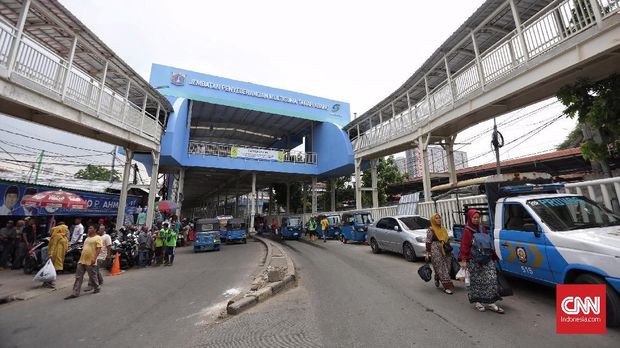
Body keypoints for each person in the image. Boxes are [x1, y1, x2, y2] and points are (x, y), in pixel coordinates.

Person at [459, 209, 504, 313]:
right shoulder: (467, 230)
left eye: (478, 217)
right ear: (470, 218)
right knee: (476, 282)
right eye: (474, 218)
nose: (476, 219)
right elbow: (465, 246)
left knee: (491, 279)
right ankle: (478, 302)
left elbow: (488, 243)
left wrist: (494, 256)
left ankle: (491, 302)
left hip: (486, 258)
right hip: (474, 260)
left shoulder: (482, 228)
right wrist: (464, 260)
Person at [65, 225, 102, 299]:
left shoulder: (98, 238)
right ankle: (75, 292)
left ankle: (97, 287)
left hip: (90, 260)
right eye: (89, 228)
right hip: (82, 260)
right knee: (78, 277)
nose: (89, 229)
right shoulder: (87, 238)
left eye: (91, 228)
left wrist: (94, 258)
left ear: (95, 229)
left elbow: (98, 249)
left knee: (92, 276)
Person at [425, 213, 455, 294]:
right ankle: (446, 286)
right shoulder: (431, 230)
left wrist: (451, 251)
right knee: (441, 267)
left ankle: (437, 277)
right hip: (435, 249)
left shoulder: (443, 229)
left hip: (445, 249)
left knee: (447, 267)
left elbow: (447, 240)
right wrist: (428, 253)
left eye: (439, 218)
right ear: (433, 220)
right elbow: (428, 242)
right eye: (436, 218)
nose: (438, 219)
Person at [85, 225, 112, 292]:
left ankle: (90, 285)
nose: (98, 231)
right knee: (96, 269)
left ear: (103, 230)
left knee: (93, 269)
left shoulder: (106, 236)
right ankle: (100, 280)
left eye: (99, 230)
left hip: (102, 256)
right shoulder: (96, 237)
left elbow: (109, 246)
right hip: (95, 255)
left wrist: (108, 255)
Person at [44, 222, 68, 288]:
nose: (66, 230)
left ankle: (48, 282)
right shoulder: (57, 236)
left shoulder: (64, 236)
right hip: (55, 254)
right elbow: (53, 245)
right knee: (52, 269)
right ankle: (48, 282)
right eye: (65, 229)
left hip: (60, 255)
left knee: (55, 269)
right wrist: (51, 254)